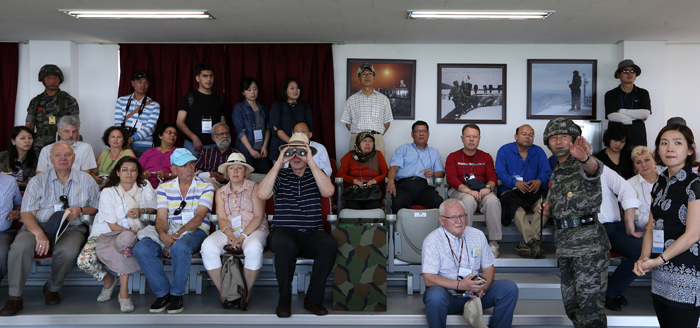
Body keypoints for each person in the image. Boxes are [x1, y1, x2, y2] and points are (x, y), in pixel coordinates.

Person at [0, 141, 99, 316]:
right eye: (58, 155)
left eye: (67, 155)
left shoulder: (87, 180)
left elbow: (97, 207)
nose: (63, 158)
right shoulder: (37, 181)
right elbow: (26, 213)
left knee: (68, 251)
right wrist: (39, 234)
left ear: (74, 158)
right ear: (51, 159)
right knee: (20, 247)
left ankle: (52, 287)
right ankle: (15, 297)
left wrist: (81, 210)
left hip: (71, 228)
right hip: (37, 226)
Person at [538, 118, 609, 328]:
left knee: (590, 312)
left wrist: (585, 157)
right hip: (566, 245)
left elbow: (593, 169)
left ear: (574, 139)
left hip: (588, 247)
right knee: (573, 308)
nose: (558, 141)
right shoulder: (558, 170)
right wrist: (549, 208)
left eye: (564, 136)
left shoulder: (581, 161)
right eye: (553, 137)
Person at [257, 133, 336, 318]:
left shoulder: (317, 173)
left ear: (308, 153)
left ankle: (313, 299)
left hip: (312, 233)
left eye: (300, 152)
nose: (296, 157)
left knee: (329, 244)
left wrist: (310, 161)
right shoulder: (280, 174)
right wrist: (278, 163)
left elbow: (329, 191)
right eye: (292, 152)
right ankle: (284, 301)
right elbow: (262, 194)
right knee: (285, 246)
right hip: (283, 232)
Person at [633, 124, 700, 328]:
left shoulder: (695, 184)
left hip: (687, 272)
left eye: (677, 143)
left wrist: (657, 260)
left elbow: (693, 235)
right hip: (661, 272)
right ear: (658, 150)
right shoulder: (660, 184)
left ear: (690, 150)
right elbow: (651, 227)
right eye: (664, 143)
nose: (670, 148)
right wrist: (644, 259)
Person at [133, 148, 214, 314]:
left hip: (195, 230)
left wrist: (175, 237)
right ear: (174, 169)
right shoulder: (164, 188)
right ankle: (162, 293)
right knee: (141, 248)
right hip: (169, 228)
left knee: (180, 247)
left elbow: (198, 218)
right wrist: (163, 235)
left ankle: (177, 294)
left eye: (192, 163)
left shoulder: (206, 186)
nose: (190, 168)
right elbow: (161, 217)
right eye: (184, 165)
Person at [422, 199, 518, 328]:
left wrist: (483, 288)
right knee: (435, 296)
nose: (459, 221)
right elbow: (428, 279)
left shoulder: (477, 235)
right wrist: (460, 285)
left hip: (474, 294)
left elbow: (489, 268)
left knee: (509, 288)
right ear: (442, 220)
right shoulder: (432, 240)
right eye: (453, 217)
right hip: (448, 297)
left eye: (462, 215)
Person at [76, 157, 156, 313]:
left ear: (138, 172)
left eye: (133, 169)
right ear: (118, 172)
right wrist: (138, 233)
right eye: (125, 169)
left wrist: (141, 211)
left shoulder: (144, 186)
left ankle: (123, 293)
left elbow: (153, 207)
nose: (129, 173)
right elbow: (113, 226)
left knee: (125, 244)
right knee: (84, 262)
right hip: (106, 232)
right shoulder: (108, 192)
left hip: (129, 234)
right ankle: (109, 279)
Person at [201, 153, 269, 307]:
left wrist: (243, 236)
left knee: (253, 248)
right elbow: (222, 218)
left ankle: (246, 292)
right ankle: (224, 291)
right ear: (227, 172)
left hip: (254, 229)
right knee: (208, 246)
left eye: (240, 168)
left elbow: (258, 216)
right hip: (230, 230)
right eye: (231, 168)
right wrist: (230, 234)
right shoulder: (220, 192)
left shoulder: (255, 187)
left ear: (245, 171)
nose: (236, 171)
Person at [582, 141, 643, 311]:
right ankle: (597, 295)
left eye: (585, 149)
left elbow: (627, 190)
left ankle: (610, 291)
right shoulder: (566, 173)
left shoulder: (603, 169)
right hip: (587, 229)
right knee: (595, 254)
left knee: (640, 249)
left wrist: (629, 224)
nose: (582, 153)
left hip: (614, 226)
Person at [495, 124, 551, 258]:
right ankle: (533, 241)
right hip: (510, 190)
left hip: (533, 190)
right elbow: (500, 172)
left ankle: (529, 243)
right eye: (524, 134)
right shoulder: (504, 150)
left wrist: (539, 181)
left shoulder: (539, 152)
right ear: (516, 136)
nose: (527, 137)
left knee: (544, 206)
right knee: (515, 209)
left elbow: (546, 172)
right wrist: (515, 182)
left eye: (531, 135)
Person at [445, 124, 501, 257]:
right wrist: (469, 191)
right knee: (468, 201)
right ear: (462, 138)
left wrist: (487, 188)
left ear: (479, 139)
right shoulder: (453, 156)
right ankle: (465, 240)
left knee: (493, 200)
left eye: (474, 137)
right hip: (460, 190)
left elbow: (493, 177)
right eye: (468, 136)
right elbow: (451, 178)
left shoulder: (486, 157)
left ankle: (493, 242)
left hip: (482, 190)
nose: (471, 139)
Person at [387, 121, 444, 214]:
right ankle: (398, 229)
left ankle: (435, 228)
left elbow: (441, 173)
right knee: (398, 202)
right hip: (404, 186)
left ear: (428, 134)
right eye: (418, 131)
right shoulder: (403, 149)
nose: (421, 134)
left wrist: (433, 174)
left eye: (424, 131)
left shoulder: (434, 152)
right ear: (412, 134)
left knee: (438, 202)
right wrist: (390, 181)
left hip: (425, 187)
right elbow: (393, 168)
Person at [25, 64, 80, 154]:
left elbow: (75, 126)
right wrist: (26, 144)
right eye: (48, 78)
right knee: (39, 167)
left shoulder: (69, 100)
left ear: (60, 80)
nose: (52, 81)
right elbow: (29, 125)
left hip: (62, 142)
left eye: (55, 78)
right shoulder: (35, 101)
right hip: (38, 144)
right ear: (43, 80)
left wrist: (75, 146)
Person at [176, 62, 226, 158]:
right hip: (192, 145)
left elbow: (222, 122)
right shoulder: (189, 98)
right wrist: (194, 137)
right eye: (205, 76)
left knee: (213, 172)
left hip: (214, 145)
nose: (208, 79)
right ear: (197, 78)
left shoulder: (219, 99)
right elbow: (179, 122)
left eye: (211, 76)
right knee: (190, 172)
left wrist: (221, 140)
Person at [341, 64, 393, 154]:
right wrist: (359, 134)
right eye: (363, 74)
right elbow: (347, 123)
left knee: (377, 167)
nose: (367, 77)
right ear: (359, 78)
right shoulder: (351, 100)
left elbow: (387, 123)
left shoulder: (383, 99)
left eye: (370, 74)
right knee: (355, 167)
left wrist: (375, 135)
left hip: (377, 139)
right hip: (357, 138)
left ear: (374, 78)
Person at [113, 70, 161, 158]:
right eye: (139, 82)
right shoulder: (121, 101)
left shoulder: (154, 105)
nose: (142, 85)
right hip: (124, 144)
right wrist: (124, 140)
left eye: (146, 83)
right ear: (132, 83)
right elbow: (118, 124)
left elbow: (150, 128)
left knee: (144, 171)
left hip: (144, 146)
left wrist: (132, 139)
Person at [336, 131, 389, 209]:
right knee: (352, 208)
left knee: (372, 208)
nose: (368, 143)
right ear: (358, 144)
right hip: (354, 192)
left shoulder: (378, 155)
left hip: (372, 192)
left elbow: (386, 173)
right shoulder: (350, 156)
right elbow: (339, 174)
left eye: (371, 141)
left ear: (373, 144)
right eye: (364, 140)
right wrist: (354, 180)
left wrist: (375, 180)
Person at [605, 59, 651, 147]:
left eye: (632, 71)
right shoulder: (610, 94)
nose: (630, 74)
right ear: (618, 74)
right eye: (625, 71)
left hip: (638, 138)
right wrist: (637, 117)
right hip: (616, 139)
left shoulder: (643, 93)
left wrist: (621, 111)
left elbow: (645, 114)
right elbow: (612, 116)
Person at [269, 76, 314, 160]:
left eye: (297, 88)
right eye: (292, 88)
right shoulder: (277, 106)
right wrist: (293, 143)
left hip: (302, 148)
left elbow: (309, 128)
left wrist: (300, 145)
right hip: (281, 147)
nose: (295, 91)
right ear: (285, 90)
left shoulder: (305, 106)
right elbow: (276, 128)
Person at [232, 77, 271, 173]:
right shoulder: (239, 108)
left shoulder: (263, 108)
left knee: (264, 179)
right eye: (249, 90)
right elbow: (240, 132)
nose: (253, 92)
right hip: (246, 151)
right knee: (247, 179)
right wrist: (251, 150)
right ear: (243, 92)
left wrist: (265, 146)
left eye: (255, 89)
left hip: (262, 151)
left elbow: (267, 128)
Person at [195, 123, 240, 187]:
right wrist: (208, 175)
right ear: (213, 138)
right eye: (221, 134)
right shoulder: (205, 152)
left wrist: (224, 177)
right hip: (210, 185)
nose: (225, 136)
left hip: (231, 186)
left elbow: (243, 174)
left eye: (227, 133)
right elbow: (195, 172)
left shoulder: (237, 153)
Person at [627, 146, 659, 232]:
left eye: (647, 160)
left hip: (667, 227)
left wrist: (655, 223)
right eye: (638, 162)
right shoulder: (629, 184)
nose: (644, 165)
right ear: (635, 166)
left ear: (654, 160)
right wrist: (650, 223)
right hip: (642, 230)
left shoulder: (668, 180)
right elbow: (633, 214)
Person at [139, 123, 179, 188]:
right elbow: (137, 169)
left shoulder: (180, 152)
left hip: (170, 187)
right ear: (160, 136)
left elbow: (186, 174)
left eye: (175, 134)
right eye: (169, 132)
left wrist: (168, 175)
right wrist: (143, 175)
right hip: (146, 187)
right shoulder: (149, 152)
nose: (173, 135)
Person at [0, 173, 22, 291]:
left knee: (1, 254)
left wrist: (15, 212)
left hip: (3, 232)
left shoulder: (10, 181)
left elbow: (19, 204)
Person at [0, 126, 38, 191]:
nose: (27, 141)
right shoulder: (3, 156)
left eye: (30, 138)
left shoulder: (37, 159)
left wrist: (17, 183)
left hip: (25, 193)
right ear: (13, 141)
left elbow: (35, 184)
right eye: (23, 138)